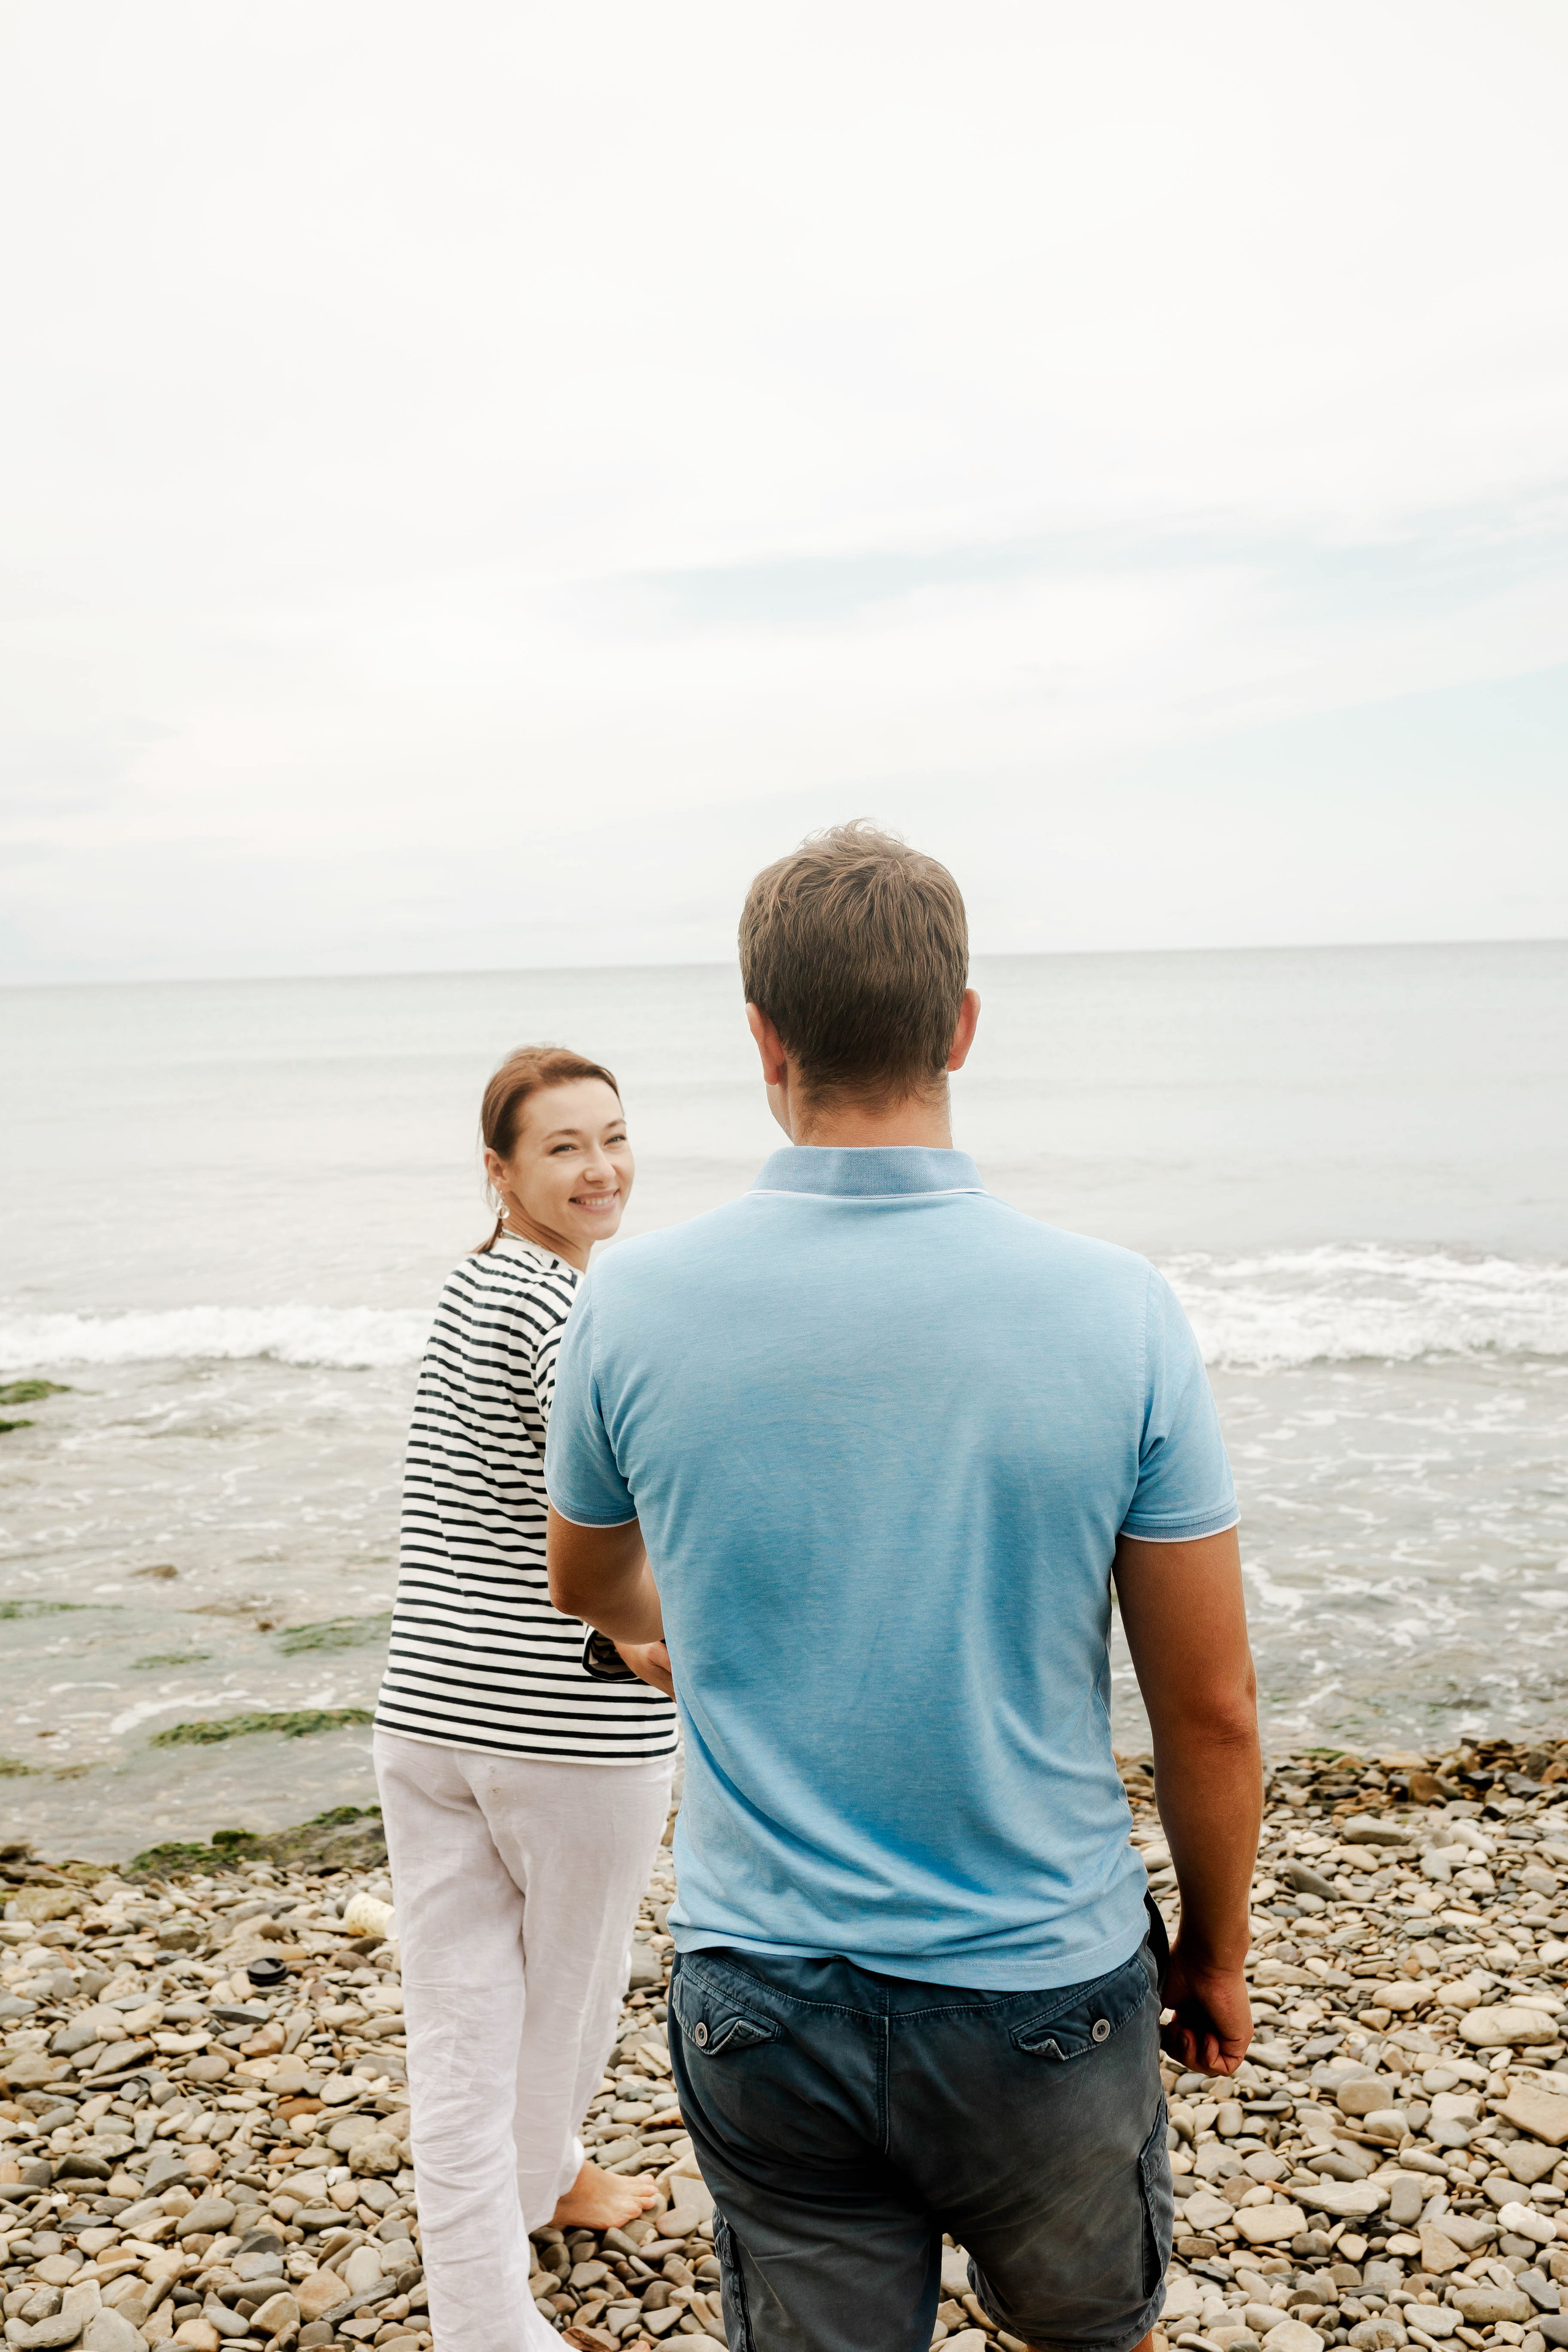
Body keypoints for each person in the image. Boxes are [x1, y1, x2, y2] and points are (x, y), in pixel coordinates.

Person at [545, 826, 1262, 2352]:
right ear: (960, 1026)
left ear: (759, 1041)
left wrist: (677, 1632)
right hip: (1045, 1984)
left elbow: (589, 1579)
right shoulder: (1114, 1309)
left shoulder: (634, 1303)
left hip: (763, 1987)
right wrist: (1208, 1953)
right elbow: (1207, 1709)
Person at [373, 1045, 678, 2352]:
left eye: (610, 1137)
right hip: (560, 1730)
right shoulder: (569, 1317)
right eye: (561, 1147)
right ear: (498, 1172)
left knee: (457, 2023)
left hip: (426, 1711)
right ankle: (492, 2327)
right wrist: (660, 1642)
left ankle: (536, 2201)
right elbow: (612, 1524)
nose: (599, 1167)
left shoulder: (474, 1288)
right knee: (560, 2002)